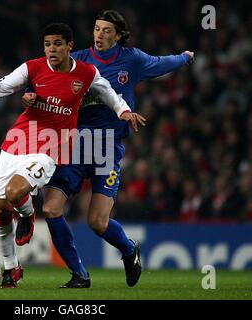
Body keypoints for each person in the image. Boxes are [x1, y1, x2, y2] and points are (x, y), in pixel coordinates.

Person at [21, 10, 194, 288]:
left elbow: (163, 63)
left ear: (118, 35)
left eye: (106, 30)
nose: (99, 35)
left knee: (98, 222)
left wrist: (185, 58)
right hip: (74, 146)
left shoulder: (132, 59)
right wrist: (31, 95)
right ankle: (79, 275)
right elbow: (45, 81)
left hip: (106, 148)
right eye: (96, 29)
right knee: (51, 208)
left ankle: (128, 249)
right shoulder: (77, 60)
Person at [0, 22, 146, 288]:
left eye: (57, 44)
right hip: (18, 140)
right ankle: (42, 271)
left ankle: (27, 214)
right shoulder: (32, 68)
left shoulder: (87, 73)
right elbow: (0, 87)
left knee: (88, 218)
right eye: (47, 44)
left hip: (52, 147)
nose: (51, 49)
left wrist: (123, 111)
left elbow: (109, 94)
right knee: (3, 209)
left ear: (69, 46)